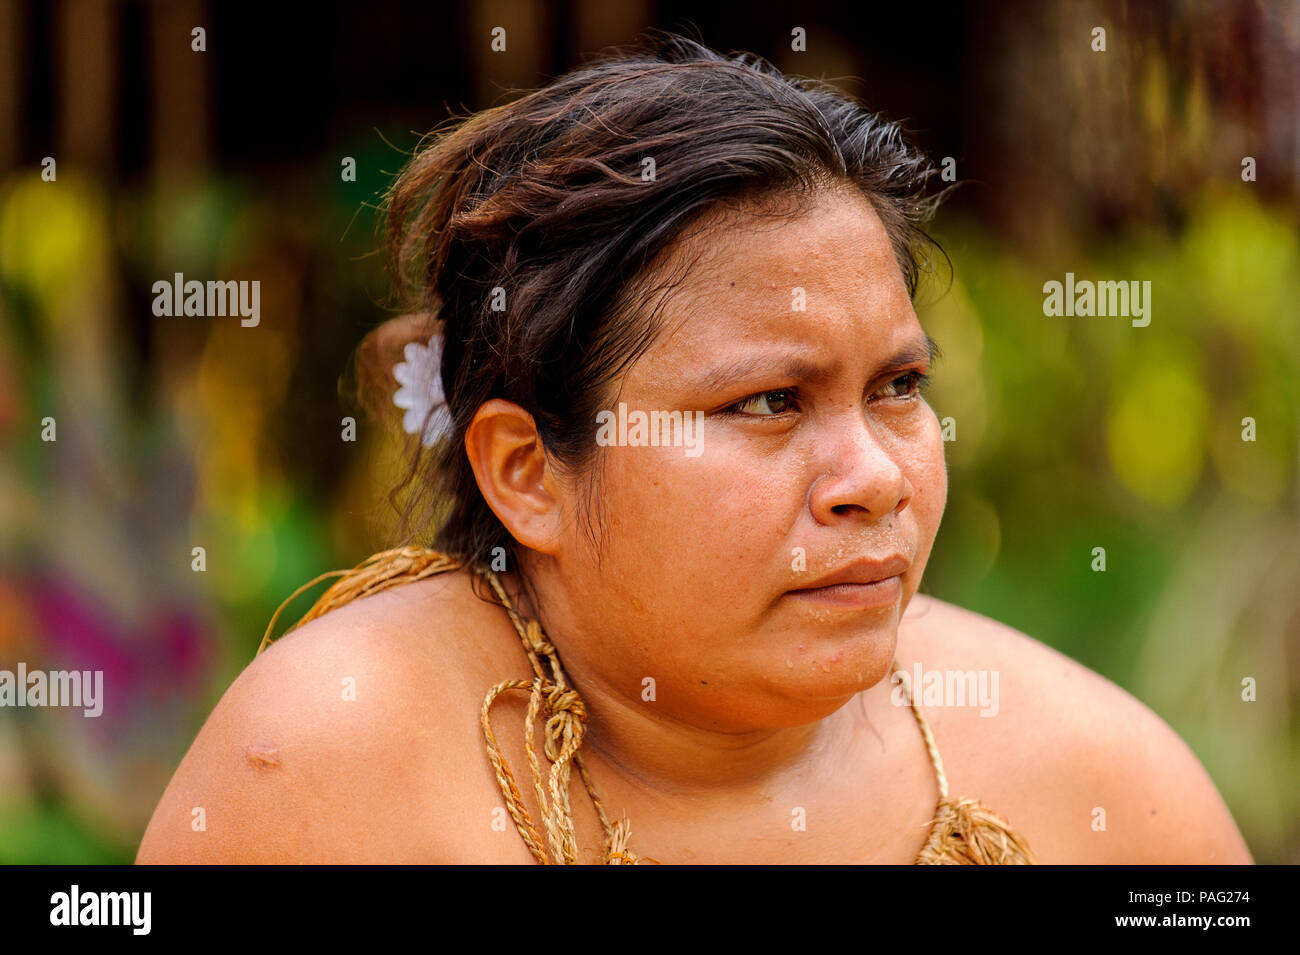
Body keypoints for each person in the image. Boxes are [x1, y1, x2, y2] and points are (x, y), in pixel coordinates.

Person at [136, 32, 1252, 865]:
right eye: (767, 402)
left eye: (898, 388)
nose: (872, 478)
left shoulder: (1102, 788)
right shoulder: (332, 770)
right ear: (528, 473)